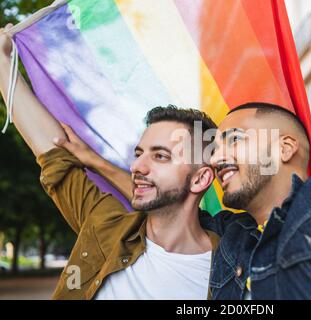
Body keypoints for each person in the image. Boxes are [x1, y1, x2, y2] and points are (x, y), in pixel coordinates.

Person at [54, 0, 311, 299]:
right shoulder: (229, 239)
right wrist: (92, 161)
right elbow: (162, 190)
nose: (215, 154)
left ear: (286, 147)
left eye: (234, 138)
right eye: (213, 145)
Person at [0, 24, 221, 299]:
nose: (137, 167)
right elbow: (51, 152)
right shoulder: (106, 226)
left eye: (161, 156)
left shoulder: (235, 268)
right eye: (139, 153)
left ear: (200, 179)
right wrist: (3, 62)